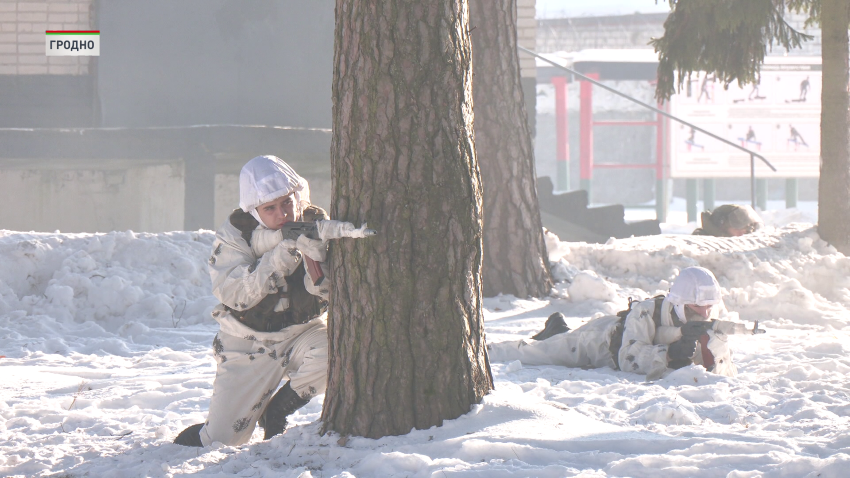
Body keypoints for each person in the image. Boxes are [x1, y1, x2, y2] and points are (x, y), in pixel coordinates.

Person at [174, 155, 333, 447]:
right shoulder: (236, 234)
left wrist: (319, 266)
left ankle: (276, 412)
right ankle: (211, 428)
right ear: (255, 210)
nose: (282, 213)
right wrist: (275, 262)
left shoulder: (315, 222)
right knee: (222, 440)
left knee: (335, 352)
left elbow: (332, 292)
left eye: (287, 202)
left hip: (303, 331)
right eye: (269, 208)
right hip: (247, 340)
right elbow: (234, 294)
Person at [488, 267, 741, 380]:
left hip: (604, 341)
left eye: (709, 307)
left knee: (552, 342)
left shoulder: (706, 322)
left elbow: (725, 377)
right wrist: (669, 353)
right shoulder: (647, 311)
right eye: (698, 307)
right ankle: (484, 351)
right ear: (679, 303)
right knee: (536, 352)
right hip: (596, 341)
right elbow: (628, 358)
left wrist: (714, 347)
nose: (705, 313)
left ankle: (557, 330)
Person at [692, 204, 763, 237]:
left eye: (745, 229)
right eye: (737, 228)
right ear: (722, 226)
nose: (742, 234)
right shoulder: (700, 238)